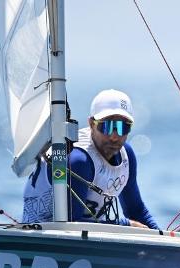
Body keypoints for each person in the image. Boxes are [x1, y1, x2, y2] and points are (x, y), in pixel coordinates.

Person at [22, 89, 158, 229]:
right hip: (42, 234)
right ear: (92, 124)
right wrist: (126, 224)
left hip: (89, 234)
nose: (114, 136)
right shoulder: (79, 160)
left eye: (123, 127)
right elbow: (71, 224)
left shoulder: (126, 155)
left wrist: (165, 238)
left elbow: (136, 211)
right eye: (107, 126)